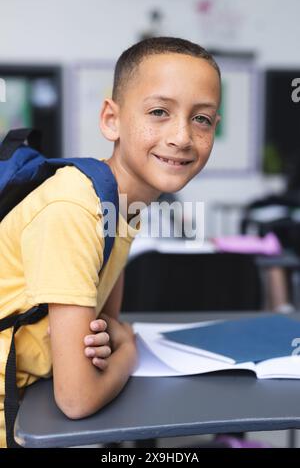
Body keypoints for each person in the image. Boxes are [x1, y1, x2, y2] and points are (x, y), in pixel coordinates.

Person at [0, 36, 221, 447]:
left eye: (202, 119)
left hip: (35, 404)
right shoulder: (74, 207)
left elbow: (108, 325)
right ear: (111, 120)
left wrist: (115, 343)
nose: (182, 137)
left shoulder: (121, 203)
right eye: (159, 112)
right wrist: (129, 355)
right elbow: (78, 397)